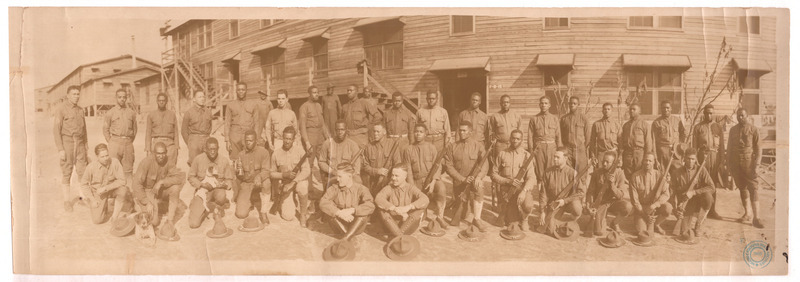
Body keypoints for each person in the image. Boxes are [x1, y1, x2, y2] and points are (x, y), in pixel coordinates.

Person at [444, 121, 489, 230]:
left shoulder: (478, 146)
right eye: (460, 130)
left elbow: (485, 163)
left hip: (474, 180)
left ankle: (477, 219)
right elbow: (448, 166)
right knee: (463, 213)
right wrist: (463, 179)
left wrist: (479, 177)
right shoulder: (453, 146)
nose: (461, 133)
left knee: (479, 189)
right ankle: (465, 207)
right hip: (460, 182)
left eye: (464, 130)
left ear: (470, 132)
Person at [403, 123, 447, 229]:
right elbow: (408, 170)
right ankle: (423, 212)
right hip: (416, 180)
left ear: (425, 134)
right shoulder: (408, 149)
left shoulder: (431, 148)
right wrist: (412, 187)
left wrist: (433, 181)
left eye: (421, 132)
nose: (418, 134)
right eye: (416, 131)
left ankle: (440, 216)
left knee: (441, 188)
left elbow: (437, 166)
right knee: (415, 202)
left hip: (431, 179)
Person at [132, 142, 186, 229]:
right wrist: (146, 201)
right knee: (154, 222)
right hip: (148, 191)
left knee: (175, 188)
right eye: (159, 153)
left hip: (160, 189)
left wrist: (161, 182)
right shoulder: (146, 162)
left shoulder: (168, 161)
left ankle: (170, 220)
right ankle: (138, 203)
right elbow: (136, 184)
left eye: (163, 153)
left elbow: (179, 178)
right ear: (154, 154)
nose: (161, 156)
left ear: (166, 152)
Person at [491, 130, 537, 231]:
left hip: (521, 188)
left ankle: (525, 219)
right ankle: (508, 214)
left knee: (528, 205)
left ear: (521, 140)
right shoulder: (502, 154)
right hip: (506, 189)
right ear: (510, 139)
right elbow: (493, 174)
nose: (515, 140)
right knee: (509, 221)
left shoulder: (527, 156)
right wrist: (507, 181)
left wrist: (524, 191)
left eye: (518, 139)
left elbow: (532, 177)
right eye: (513, 138)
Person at [727, 108, 764, 229]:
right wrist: (729, 165)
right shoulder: (733, 130)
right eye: (738, 116)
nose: (740, 118)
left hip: (749, 164)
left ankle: (757, 217)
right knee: (742, 188)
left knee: (753, 189)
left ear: (747, 116)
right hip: (736, 165)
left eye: (742, 115)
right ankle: (747, 213)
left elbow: (758, 149)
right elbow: (729, 149)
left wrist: (757, 166)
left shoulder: (754, 130)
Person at [53, 85, 88, 212]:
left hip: (79, 144)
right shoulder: (61, 109)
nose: (76, 96)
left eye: (78, 94)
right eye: (74, 94)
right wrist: (60, 149)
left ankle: (81, 198)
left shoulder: (80, 110)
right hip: (67, 143)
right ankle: (67, 201)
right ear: (68, 95)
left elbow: (84, 130)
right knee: (67, 172)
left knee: (82, 172)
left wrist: (85, 145)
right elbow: (56, 130)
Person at [319, 162, 375, 241]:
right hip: (339, 225)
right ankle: (348, 237)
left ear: (349, 176)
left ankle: (345, 238)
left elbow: (370, 205)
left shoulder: (361, 189)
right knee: (330, 212)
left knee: (363, 213)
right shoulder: (334, 188)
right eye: (337, 176)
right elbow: (323, 202)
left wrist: (352, 210)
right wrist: (339, 212)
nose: (337, 179)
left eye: (340, 176)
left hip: (356, 225)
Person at [269, 127, 312, 227]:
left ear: (293, 139)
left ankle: (303, 215)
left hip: (297, 183)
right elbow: (271, 173)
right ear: (282, 138)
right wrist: (284, 175)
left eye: (290, 139)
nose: (287, 141)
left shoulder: (300, 152)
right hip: (284, 186)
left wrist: (294, 182)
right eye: (285, 138)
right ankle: (286, 200)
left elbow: (306, 170)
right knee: (288, 216)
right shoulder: (276, 154)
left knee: (303, 186)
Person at [187, 138, 234, 229]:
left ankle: (218, 208)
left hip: (218, 190)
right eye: (210, 149)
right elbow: (190, 177)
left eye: (215, 149)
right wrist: (201, 185)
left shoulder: (223, 160)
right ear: (205, 149)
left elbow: (229, 179)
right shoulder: (198, 159)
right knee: (194, 224)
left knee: (221, 195)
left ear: (218, 148)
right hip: (203, 191)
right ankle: (200, 207)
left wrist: (224, 185)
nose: (212, 152)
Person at [538, 147, 585, 236]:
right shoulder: (548, 172)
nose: (555, 159)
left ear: (565, 158)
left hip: (568, 202)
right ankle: (558, 223)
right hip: (554, 203)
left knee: (577, 209)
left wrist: (565, 201)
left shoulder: (572, 173)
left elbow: (581, 192)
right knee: (550, 230)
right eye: (554, 157)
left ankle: (572, 221)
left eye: (558, 157)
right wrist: (542, 211)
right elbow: (543, 193)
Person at [374, 165, 430, 238]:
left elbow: (425, 199)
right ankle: (400, 237)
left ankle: (397, 236)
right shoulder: (389, 188)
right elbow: (378, 198)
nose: (393, 178)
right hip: (391, 225)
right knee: (381, 209)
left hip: (407, 224)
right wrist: (394, 208)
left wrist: (408, 207)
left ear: (405, 176)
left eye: (397, 176)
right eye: (392, 175)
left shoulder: (411, 188)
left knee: (421, 208)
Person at [585, 151, 632, 236]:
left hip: (613, 202)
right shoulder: (597, 172)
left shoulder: (620, 173)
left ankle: (614, 223)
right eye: (603, 161)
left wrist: (612, 185)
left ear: (614, 164)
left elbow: (620, 196)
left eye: (607, 162)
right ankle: (597, 219)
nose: (604, 164)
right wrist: (589, 205)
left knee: (627, 207)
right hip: (601, 203)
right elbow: (590, 191)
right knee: (599, 232)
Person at [81, 143, 129, 224]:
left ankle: (114, 217)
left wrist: (106, 188)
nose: (106, 158)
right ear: (97, 157)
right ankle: (102, 206)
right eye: (102, 157)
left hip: (111, 190)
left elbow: (122, 180)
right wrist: (92, 200)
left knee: (123, 190)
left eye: (107, 155)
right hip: (99, 194)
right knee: (97, 220)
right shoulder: (91, 167)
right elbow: (84, 184)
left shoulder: (115, 162)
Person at [671, 148, 715, 236]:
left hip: (698, 200)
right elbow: (672, 192)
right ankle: (685, 220)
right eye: (688, 158)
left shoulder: (701, 170)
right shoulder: (677, 172)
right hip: (685, 203)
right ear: (684, 158)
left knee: (708, 198)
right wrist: (675, 208)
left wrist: (694, 192)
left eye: (693, 159)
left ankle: (698, 225)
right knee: (684, 231)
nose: (690, 161)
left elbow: (712, 187)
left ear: (696, 160)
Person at [692, 104, 724, 219]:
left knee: (713, 183)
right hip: (702, 156)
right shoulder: (698, 127)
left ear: (713, 113)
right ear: (703, 113)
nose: (709, 115)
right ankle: (699, 209)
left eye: (711, 113)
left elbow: (722, 147)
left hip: (714, 157)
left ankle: (712, 210)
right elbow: (694, 146)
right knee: (701, 183)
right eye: (707, 113)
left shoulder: (718, 127)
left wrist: (721, 162)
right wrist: (695, 160)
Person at [234, 130, 272, 224]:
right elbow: (238, 177)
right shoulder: (241, 155)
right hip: (247, 184)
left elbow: (266, 170)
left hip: (259, 182)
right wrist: (237, 171)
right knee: (241, 214)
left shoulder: (263, 152)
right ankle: (250, 199)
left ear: (256, 140)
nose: (248, 143)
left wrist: (259, 176)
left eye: (251, 140)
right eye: (246, 140)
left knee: (267, 183)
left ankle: (263, 212)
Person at [629, 153, 672, 234]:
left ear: (654, 162)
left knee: (668, 208)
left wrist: (655, 205)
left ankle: (656, 224)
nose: (647, 163)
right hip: (641, 209)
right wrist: (645, 215)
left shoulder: (659, 175)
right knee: (642, 232)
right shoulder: (635, 177)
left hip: (654, 206)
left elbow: (666, 194)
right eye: (646, 160)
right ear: (642, 161)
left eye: (650, 161)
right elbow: (635, 201)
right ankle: (646, 221)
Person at [103, 88, 137, 182]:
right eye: (120, 97)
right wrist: (111, 142)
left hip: (128, 143)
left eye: (124, 97)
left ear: (126, 98)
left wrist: (128, 140)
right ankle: (113, 193)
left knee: (128, 170)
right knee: (113, 169)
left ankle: (128, 193)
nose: (122, 99)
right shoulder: (110, 113)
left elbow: (135, 130)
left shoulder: (131, 113)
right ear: (116, 98)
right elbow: (105, 129)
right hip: (115, 143)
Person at [318, 120, 363, 190]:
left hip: (349, 176)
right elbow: (321, 162)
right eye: (337, 130)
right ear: (335, 131)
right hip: (333, 175)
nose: (340, 132)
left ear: (346, 130)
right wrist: (331, 171)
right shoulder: (327, 143)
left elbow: (356, 169)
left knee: (358, 182)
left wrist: (347, 175)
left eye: (342, 129)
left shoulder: (353, 145)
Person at [362, 123, 405, 195]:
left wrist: (391, 180)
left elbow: (397, 164)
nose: (375, 134)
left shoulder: (392, 144)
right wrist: (377, 171)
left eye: (378, 131)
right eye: (374, 131)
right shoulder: (369, 146)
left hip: (389, 182)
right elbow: (365, 166)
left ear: (384, 132)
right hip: (373, 183)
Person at [528, 96, 562, 180]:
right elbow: (530, 136)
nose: (544, 105)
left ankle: (549, 191)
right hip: (539, 148)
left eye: (546, 103)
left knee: (551, 170)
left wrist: (559, 150)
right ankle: (541, 192)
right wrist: (531, 151)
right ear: (539, 105)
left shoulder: (554, 118)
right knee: (539, 171)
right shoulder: (534, 119)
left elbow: (558, 135)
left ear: (549, 105)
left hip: (552, 148)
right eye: (542, 103)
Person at [225, 82, 259, 159]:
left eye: (243, 89)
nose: (241, 91)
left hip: (248, 135)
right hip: (234, 136)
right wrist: (227, 140)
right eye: (239, 89)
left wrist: (256, 138)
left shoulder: (253, 104)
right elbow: (227, 123)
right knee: (235, 159)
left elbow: (257, 123)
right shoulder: (230, 105)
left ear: (246, 90)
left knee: (249, 158)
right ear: (236, 91)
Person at [619, 104, 652, 180]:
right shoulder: (626, 125)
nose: (631, 111)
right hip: (628, 154)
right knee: (628, 176)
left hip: (639, 153)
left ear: (639, 111)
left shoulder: (645, 124)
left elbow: (648, 142)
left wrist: (647, 157)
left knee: (639, 176)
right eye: (630, 109)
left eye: (634, 109)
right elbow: (622, 142)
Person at [145, 93, 179, 167]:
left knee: (171, 166)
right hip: (157, 142)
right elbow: (148, 133)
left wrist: (176, 147)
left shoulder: (172, 114)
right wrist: (148, 149)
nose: (161, 102)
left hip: (170, 143)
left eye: (163, 100)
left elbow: (176, 132)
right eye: (159, 100)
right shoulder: (151, 115)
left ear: (166, 101)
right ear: (157, 101)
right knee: (156, 166)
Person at [181, 90, 212, 167]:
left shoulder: (208, 111)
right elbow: (183, 131)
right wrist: (190, 144)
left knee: (207, 163)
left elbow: (210, 126)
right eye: (199, 97)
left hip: (206, 139)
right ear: (194, 99)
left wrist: (207, 138)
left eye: (203, 97)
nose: (202, 99)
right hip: (194, 140)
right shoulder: (189, 112)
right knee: (194, 164)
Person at [560, 96, 591, 173]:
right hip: (567, 150)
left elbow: (588, 136)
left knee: (581, 174)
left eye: (574, 103)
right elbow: (560, 134)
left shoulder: (584, 118)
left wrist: (583, 147)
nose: (572, 105)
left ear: (578, 104)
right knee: (568, 172)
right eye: (571, 103)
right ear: (568, 104)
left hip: (580, 149)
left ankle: (582, 185)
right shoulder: (564, 119)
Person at [651, 101, 685, 169]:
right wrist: (655, 157)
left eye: (667, 108)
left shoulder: (677, 120)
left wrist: (680, 146)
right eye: (663, 108)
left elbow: (683, 134)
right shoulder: (656, 122)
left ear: (671, 108)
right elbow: (653, 141)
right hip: (662, 152)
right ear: (661, 109)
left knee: (677, 173)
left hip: (675, 152)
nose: (666, 110)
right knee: (662, 174)